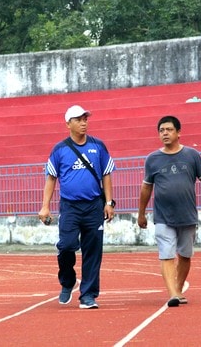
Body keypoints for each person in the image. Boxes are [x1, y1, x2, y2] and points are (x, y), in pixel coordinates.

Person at [137, 116, 201, 307]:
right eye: (161, 130)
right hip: (162, 217)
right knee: (166, 254)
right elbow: (146, 188)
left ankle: (178, 286)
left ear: (178, 132)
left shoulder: (192, 155)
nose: (165, 133)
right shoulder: (152, 159)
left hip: (187, 215)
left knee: (184, 255)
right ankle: (173, 293)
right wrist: (141, 213)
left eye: (169, 129)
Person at [39, 105, 116, 309]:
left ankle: (88, 295)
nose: (83, 123)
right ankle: (67, 281)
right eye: (78, 119)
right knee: (66, 246)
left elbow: (106, 175)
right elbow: (51, 178)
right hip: (70, 207)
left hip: (93, 206)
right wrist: (44, 207)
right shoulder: (60, 149)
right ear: (68, 124)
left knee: (93, 251)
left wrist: (109, 202)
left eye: (85, 119)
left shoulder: (98, 146)